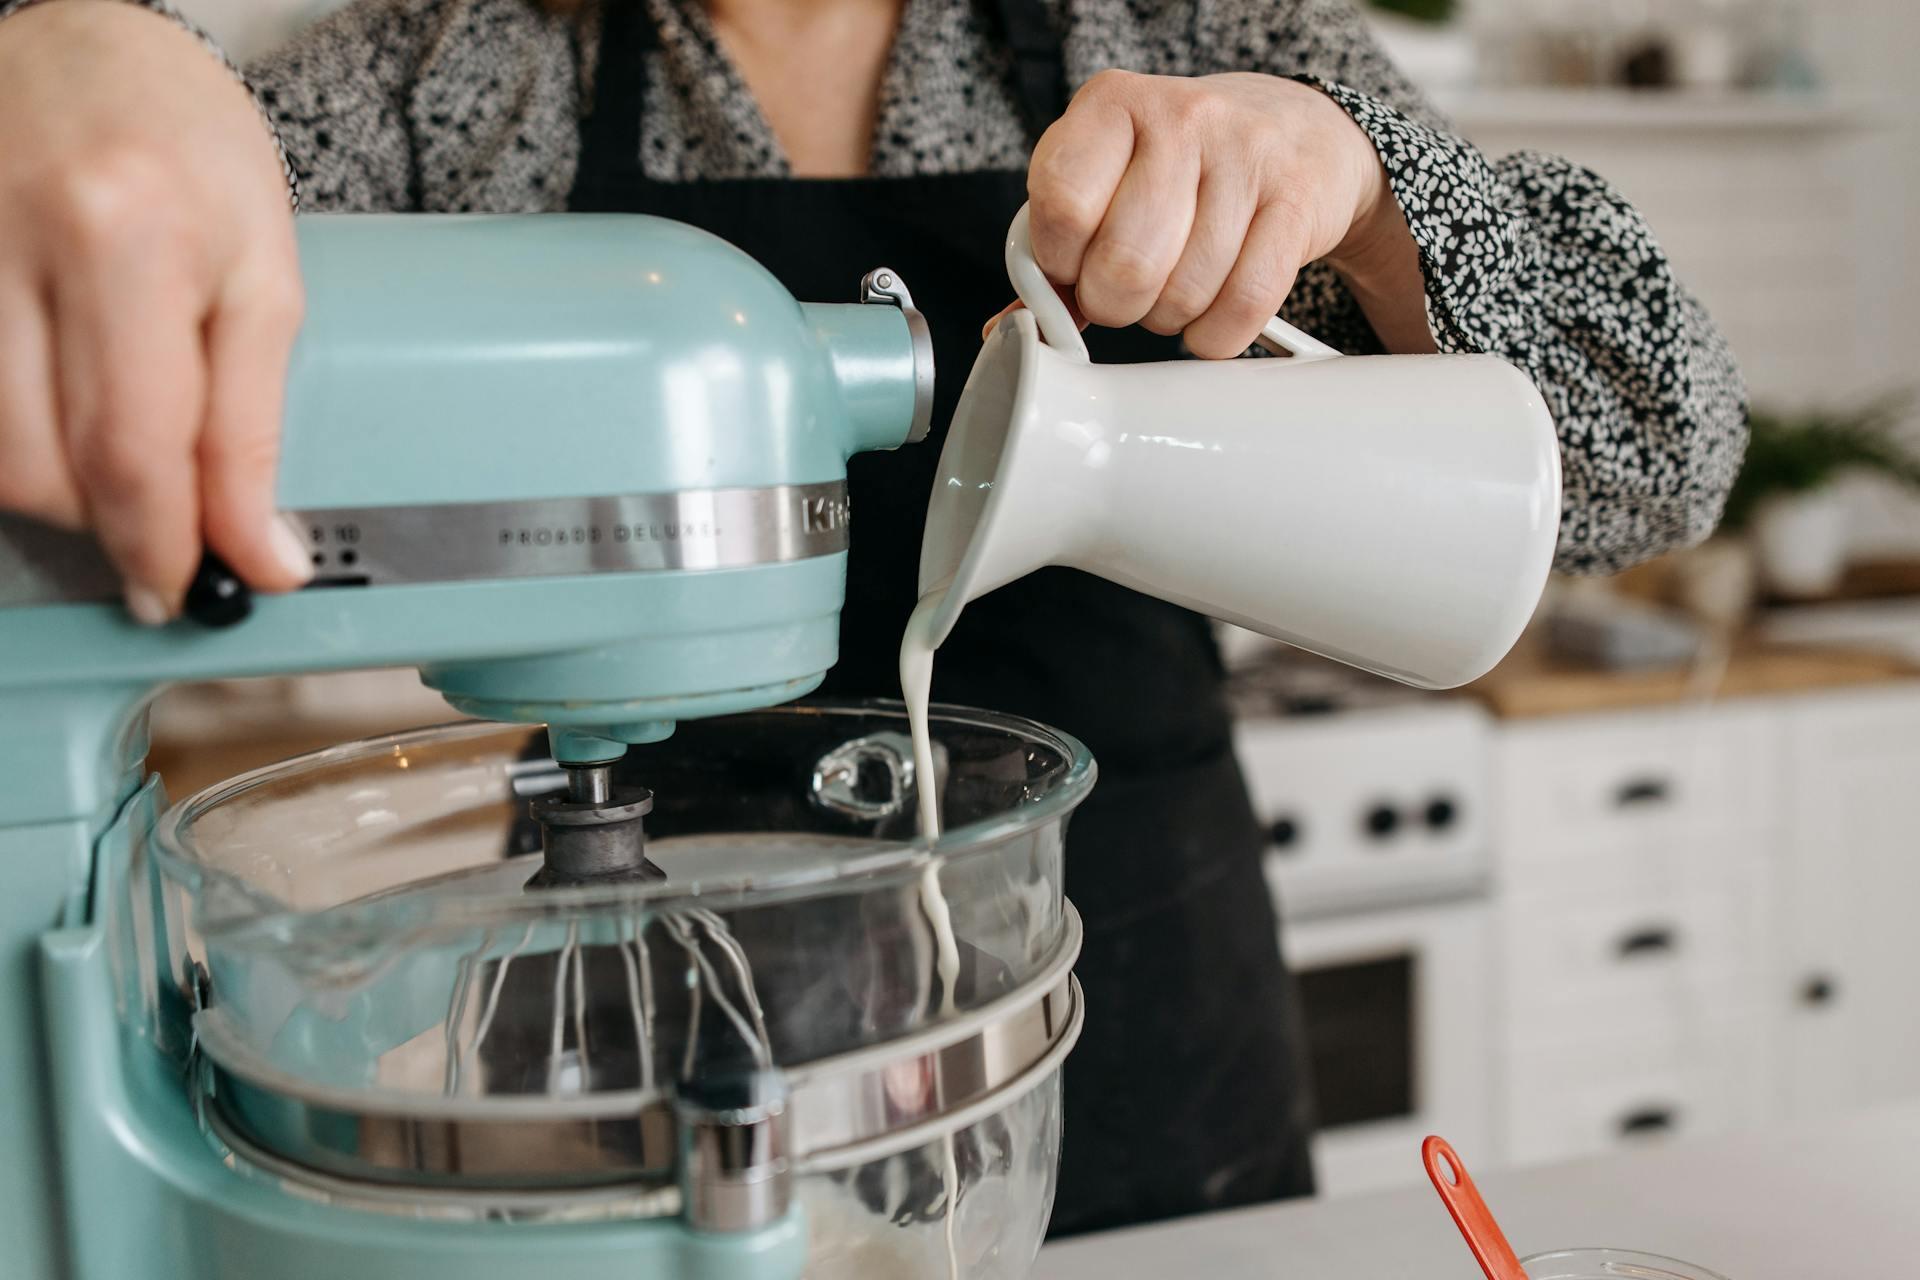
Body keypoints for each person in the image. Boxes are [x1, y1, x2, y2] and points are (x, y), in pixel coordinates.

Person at [0, 0, 1746, 1237]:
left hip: (1130, 994)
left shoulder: (1205, 31)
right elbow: (109, 276)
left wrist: (1360, 200)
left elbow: (1663, 453)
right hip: (646, 1009)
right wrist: (88, 45)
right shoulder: (454, 77)